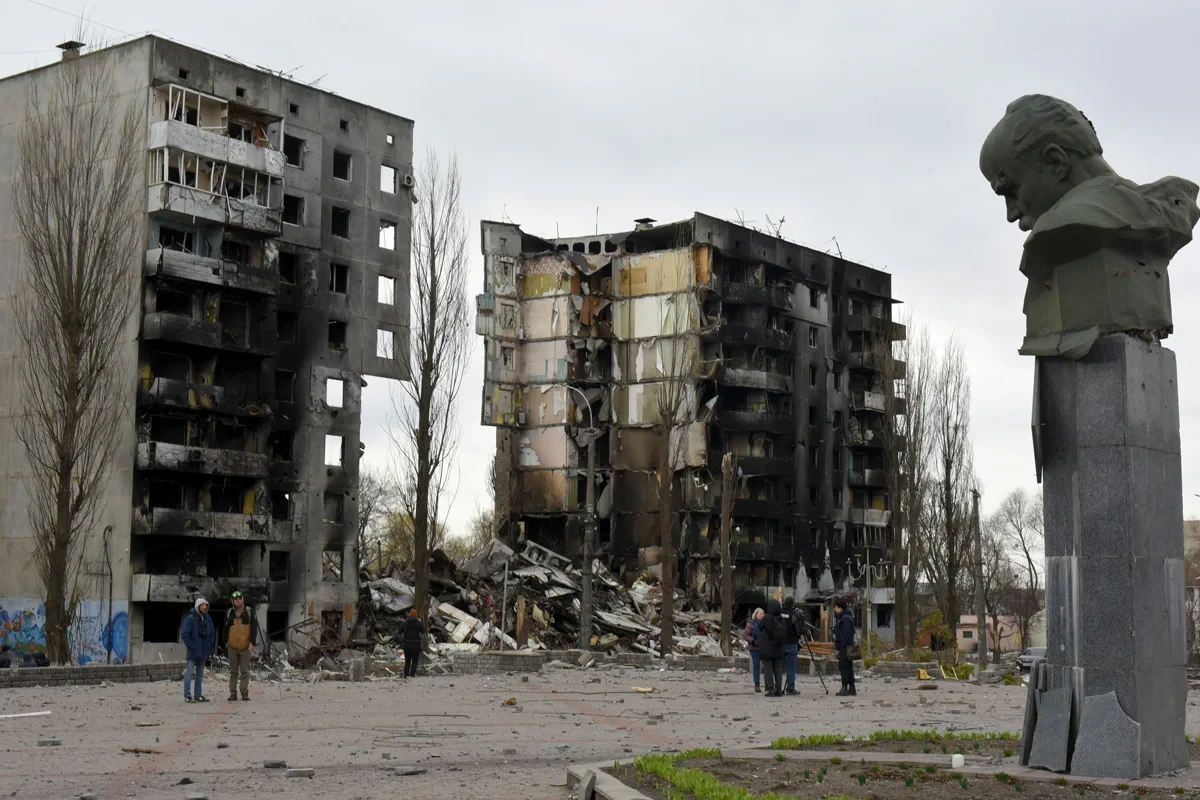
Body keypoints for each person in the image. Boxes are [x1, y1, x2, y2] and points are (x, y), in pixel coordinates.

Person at [222, 590, 259, 702]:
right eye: (235, 599)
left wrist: (252, 642)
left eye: (239, 599)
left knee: (245, 671)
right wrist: (226, 643)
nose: (237, 601)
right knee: (233, 671)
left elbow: (254, 628)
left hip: (245, 647)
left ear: (242, 599)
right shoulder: (230, 613)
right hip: (232, 647)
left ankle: (244, 693)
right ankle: (233, 694)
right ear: (233, 601)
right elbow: (225, 629)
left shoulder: (249, 612)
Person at [181, 597, 215, 703]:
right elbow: (185, 634)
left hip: (203, 652)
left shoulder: (208, 619)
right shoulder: (190, 619)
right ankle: (187, 695)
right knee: (189, 673)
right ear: (198, 606)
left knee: (200, 674)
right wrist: (192, 646)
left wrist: (209, 647)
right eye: (202, 605)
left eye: (206, 605)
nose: (204, 607)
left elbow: (211, 634)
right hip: (193, 652)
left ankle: (198, 695)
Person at [757, 599, 785, 698]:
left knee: (768, 668)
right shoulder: (781, 618)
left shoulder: (767, 617)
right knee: (778, 668)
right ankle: (779, 689)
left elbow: (759, 627)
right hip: (778, 648)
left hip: (767, 648)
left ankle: (771, 688)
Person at [832, 599, 857, 697]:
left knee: (844, 668)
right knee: (848, 667)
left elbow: (846, 633)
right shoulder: (846, 617)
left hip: (845, 647)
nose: (835, 609)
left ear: (840, 608)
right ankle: (851, 688)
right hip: (847, 646)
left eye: (836, 607)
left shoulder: (845, 618)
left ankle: (845, 687)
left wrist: (842, 645)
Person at [779, 597, 802, 695]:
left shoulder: (779, 612)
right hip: (792, 643)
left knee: (779, 665)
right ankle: (790, 687)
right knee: (791, 666)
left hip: (780, 643)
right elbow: (799, 630)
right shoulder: (795, 614)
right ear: (793, 604)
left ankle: (778, 687)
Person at [742, 608, 764, 693]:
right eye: (760, 613)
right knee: (756, 665)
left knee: (767, 665)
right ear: (756, 614)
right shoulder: (751, 624)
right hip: (754, 648)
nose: (762, 615)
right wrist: (753, 641)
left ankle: (769, 685)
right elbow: (746, 635)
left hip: (763, 648)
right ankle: (757, 684)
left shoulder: (765, 624)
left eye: (763, 613)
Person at [402, 609, 424, 678]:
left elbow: (399, 631)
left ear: (410, 615)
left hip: (407, 644)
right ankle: (411, 676)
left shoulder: (405, 623)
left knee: (407, 662)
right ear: (416, 615)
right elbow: (423, 630)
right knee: (414, 662)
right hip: (416, 645)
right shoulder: (418, 623)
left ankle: (405, 676)